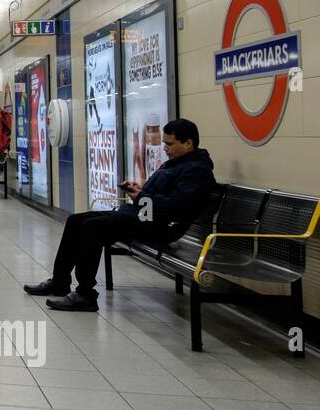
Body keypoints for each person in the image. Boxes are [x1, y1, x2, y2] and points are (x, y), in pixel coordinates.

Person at [24, 118, 215, 312]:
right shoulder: (177, 162)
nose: (165, 147)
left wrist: (142, 196)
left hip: (161, 225)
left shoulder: (197, 170)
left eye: (169, 143)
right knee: (76, 220)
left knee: (93, 226)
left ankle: (85, 295)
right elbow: (160, 195)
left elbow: (178, 206)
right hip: (144, 216)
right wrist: (139, 192)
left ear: (188, 143)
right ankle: (60, 282)